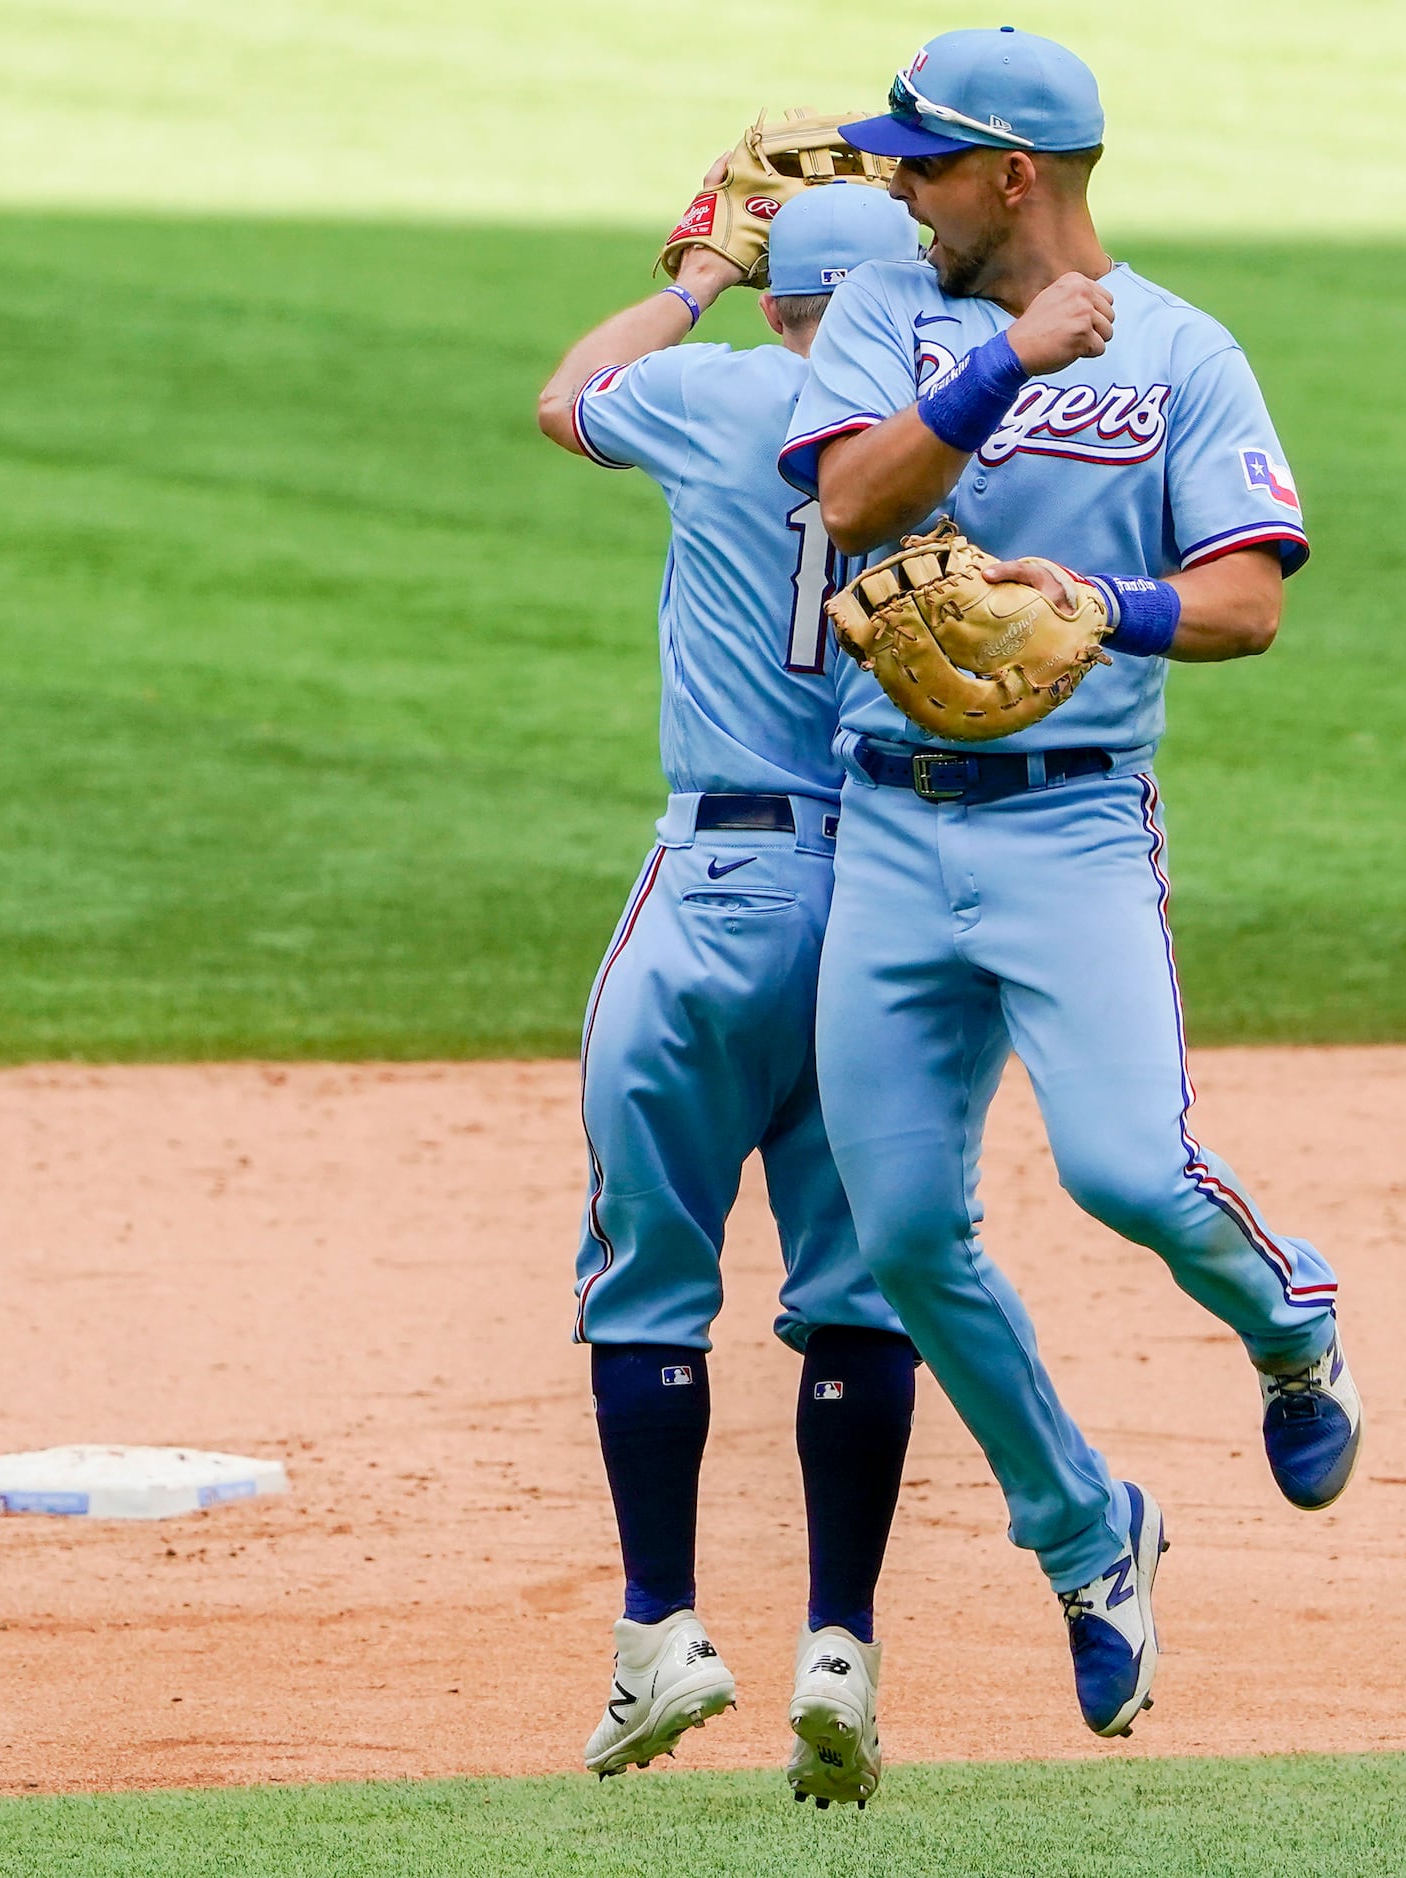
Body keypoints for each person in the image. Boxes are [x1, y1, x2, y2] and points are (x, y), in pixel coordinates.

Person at [778, 27, 1362, 1739]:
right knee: (897, 1235)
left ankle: (1293, 1315)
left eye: (924, 160)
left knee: (1126, 1165)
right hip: (890, 821)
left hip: (1075, 823)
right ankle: (1087, 1533)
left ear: (1012, 175)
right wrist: (1005, 364)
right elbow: (845, 493)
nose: (897, 182)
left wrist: (1117, 608)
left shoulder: (1188, 353)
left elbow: (1248, 598)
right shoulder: (897, 311)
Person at [534, 178, 927, 1806]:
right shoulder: (951, 428)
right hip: (891, 901)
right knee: (858, 1289)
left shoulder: (717, 392)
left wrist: (696, 269)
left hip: (715, 889)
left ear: (783, 299)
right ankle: (840, 1639)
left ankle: (659, 1631)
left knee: (647, 1272)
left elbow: (565, 395)